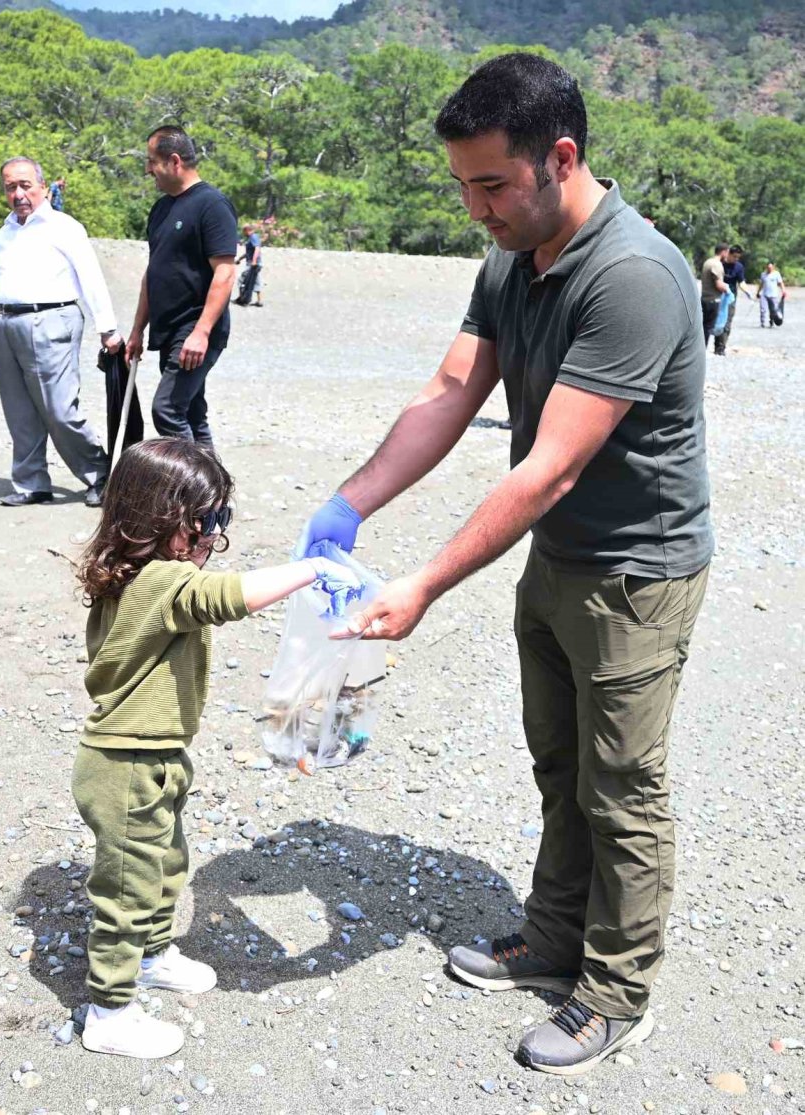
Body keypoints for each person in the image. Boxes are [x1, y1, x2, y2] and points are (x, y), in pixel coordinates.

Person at [296, 53, 713, 1077]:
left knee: (623, 782)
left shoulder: (633, 276)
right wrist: (351, 500)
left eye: (490, 184)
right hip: (559, 561)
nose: (475, 206)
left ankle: (616, 989)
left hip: (635, 570)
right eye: (462, 185)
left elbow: (550, 467)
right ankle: (554, 937)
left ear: (559, 158)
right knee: (559, 762)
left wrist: (423, 584)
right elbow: (449, 391)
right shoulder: (509, 258)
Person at [74, 437, 363, 1058]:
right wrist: (313, 569)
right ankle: (109, 1010)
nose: (214, 533)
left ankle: (151, 955)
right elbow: (226, 597)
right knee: (125, 889)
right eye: (207, 521)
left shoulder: (130, 573)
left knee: (165, 864)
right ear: (162, 520)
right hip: (126, 764)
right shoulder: (161, 584)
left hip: (154, 754)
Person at [0, 157, 121, 507]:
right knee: (19, 409)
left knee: (59, 408)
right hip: (6, 323)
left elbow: (91, 278)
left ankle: (100, 473)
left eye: (25, 185)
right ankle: (32, 483)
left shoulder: (64, 227)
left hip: (53, 320)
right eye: (10, 187)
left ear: (43, 187)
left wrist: (108, 327)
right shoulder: (3, 235)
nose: (18, 193)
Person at [125, 126, 237, 450]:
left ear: (174, 161)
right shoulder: (161, 209)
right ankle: (214, 499)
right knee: (191, 412)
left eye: (152, 161)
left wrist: (201, 332)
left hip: (196, 328)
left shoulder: (212, 205)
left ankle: (191, 492)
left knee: (168, 410)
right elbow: (153, 272)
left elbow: (225, 273)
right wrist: (137, 330)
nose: (148, 169)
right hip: (169, 329)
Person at [713, 244, 751, 355]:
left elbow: (741, 282)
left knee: (727, 323)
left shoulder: (739, 267)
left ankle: (721, 347)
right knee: (717, 321)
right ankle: (716, 345)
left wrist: (748, 292)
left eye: (738, 257)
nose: (736, 259)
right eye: (734, 256)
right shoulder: (720, 264)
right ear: (728, 253)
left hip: (730, 299)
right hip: (718, 297)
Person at [700, 243, 729, 349]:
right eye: (727, 252)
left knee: (703, 325)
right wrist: (727, 289)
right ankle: (703, 349)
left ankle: (701, 348)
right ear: (723, 252)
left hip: (704, 298)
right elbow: (719, 285)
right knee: (708, 327)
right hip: (713, 300)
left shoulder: (707, 262)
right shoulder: (717, 265)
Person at [234, 223, 264, 307]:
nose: (243, 233)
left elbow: (257, 249)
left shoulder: (253, 237)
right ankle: (259, 301)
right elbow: (248, 253)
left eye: (244, 231)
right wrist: (239, 259)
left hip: (253, 264)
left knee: (241, 279)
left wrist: (253, 261)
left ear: (247, 230)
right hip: (256, 263)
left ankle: (241, 298)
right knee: (256, 281)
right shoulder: (252, 238)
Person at [756, 261, 786, 327]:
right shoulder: (763, 274)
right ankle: (762, 322)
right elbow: (761, 284)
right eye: (768, 267)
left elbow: (781, 283)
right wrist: (758, 292)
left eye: (770, 267)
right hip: (764, 294)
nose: (769, 269)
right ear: (766, 267)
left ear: (773, 267)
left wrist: (783, 290)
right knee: (763, 309)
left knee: (773, 310)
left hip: (773, 295)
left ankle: (771, 321)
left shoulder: (776, 274)